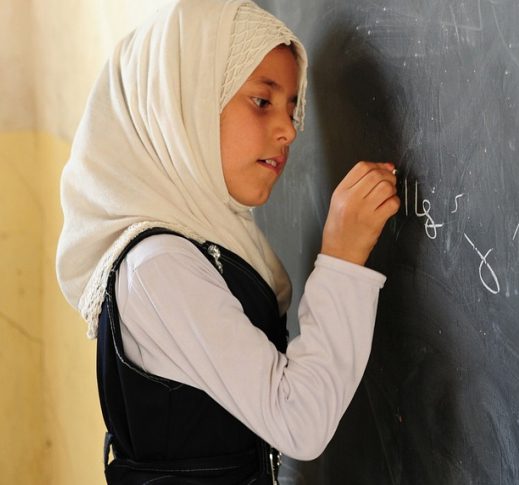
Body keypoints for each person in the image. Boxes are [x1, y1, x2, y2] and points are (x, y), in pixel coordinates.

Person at [55, 0, 399, 483]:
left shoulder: (196, 246)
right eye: (262, 100)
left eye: (293, 107)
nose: (288, 130)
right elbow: (298, 421)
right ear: (183, 102)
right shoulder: (159, 266)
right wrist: (343, 256)